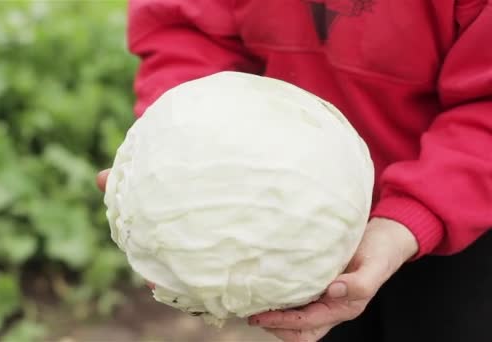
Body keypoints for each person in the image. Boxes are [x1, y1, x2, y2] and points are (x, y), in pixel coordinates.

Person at [97, 1, 492, 341]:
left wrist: (415, 216)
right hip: (291, 225)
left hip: (467, 205)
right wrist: (180, 161)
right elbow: (187, 29)